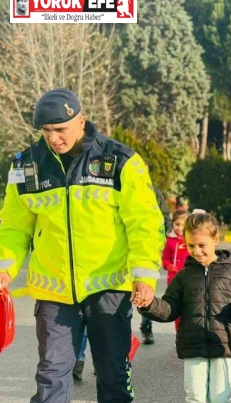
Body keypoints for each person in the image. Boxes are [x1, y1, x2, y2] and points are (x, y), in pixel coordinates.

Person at [0, 88, 165, 403]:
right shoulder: (25, 165)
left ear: (81, 121)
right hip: (54, 292)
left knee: (113, 375)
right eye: (46, 131)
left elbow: (144, 223)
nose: (54, 138)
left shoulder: (121, 160)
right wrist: (4, 268)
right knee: (51, 376)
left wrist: (144, 275)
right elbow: (13, 226)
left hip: (109, 290)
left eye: (60, 129)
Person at [139, 212, 231, 403]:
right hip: (192, 344)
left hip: (224, 345)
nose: (197, 251)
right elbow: (170, 308)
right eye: (191, 246)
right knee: (195, 397)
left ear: (215, 240)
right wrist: (149, 304)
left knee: (221, 398)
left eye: (202, 245)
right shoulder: (183, 276)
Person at [139, 184, 173, 344]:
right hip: (119, 254)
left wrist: (162, 238)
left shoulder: (152, 191)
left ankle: (146, 326)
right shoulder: (114, 185)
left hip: (146, 251)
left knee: (144, 293)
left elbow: (165, 216)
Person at [160, 209, 189, 335]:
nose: (179, 228)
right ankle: (179, 334)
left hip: (189, 279)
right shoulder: (169, 240)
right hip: (173, 279)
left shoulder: (191, 240)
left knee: (189, 308)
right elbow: (164, 258)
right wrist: (168, 265)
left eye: (183, 225)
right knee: (177, 309)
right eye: (177, 224)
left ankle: (188, 334)